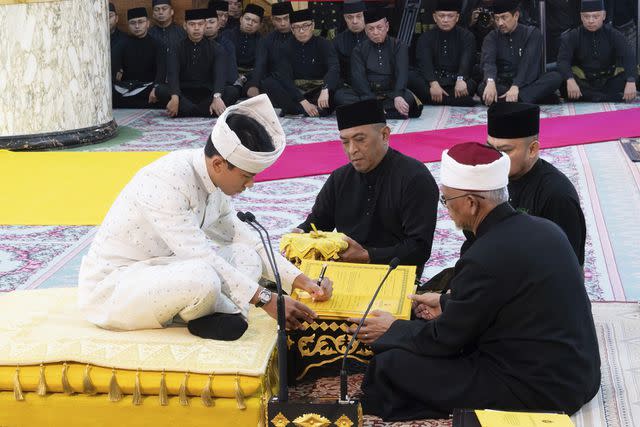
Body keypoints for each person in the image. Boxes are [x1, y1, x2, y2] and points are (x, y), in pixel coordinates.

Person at [352, 141, 600, 421]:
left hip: (538, 387)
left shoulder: (485, 255)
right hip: (580, 374)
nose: (446, 208)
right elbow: (508, 299)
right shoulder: (546, 228)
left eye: (447, 200)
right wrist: (447, 302)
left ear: (471, 203)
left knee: (390, 365)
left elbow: (445, 340)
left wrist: (394, 328)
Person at [78, 95, 333, 339]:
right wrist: (265, 299)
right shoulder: (166, 180)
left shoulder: (213, 182)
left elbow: (245, 240)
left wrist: (300, 280)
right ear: (219, 164)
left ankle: (226, 317)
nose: (251, 184)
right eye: (246, 176)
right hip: (116, 287)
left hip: (165, 272)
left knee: (246, 255)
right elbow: (197, 255)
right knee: (202, 277)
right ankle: (219, 313)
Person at [296, 99, 439, 277]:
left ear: (385, 135)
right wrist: (300, 233)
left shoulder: (415, 178)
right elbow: (318, 222)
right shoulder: (339, 178)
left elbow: (419, 248)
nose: (352, 150)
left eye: (360, 139)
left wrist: (368, 256)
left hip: (393, 274)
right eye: (345, 142)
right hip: (344, 271)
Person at [486, 102, 587, 265]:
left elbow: (566, 268)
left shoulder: (556, 195)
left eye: (505, 151)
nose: (496, 157)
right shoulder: (490, 176)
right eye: (490, 148)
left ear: (532, 149)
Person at [334, 9, 423, 118]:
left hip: (391, 93)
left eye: (379, 27)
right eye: (371, 29)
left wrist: (398, 95)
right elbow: (358, 77)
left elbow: (402, 73)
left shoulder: (398, 46)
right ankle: (382, 111)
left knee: (408, 98)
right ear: (366, 31)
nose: (375, 32)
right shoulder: (359, 50)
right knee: (340, 96)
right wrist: (370, 99)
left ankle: (369, 112)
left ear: (387, 27)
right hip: (367, 93)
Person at [156, 9, 238, 118]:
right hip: (183, 93)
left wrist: (217, 97)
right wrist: (175, 97)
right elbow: (172, 74)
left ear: (205, 25)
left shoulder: (217, 48)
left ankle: (188, 111)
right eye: (192, 24)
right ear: (185, 26)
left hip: (208, 94)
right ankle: (205, 111)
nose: (196, 28)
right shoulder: (176, 47)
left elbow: (220, 75)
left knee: (232, 91)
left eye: (200, 24)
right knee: (160, 90)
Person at [478, 0, 562, 105]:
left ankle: (508, 100)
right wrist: (490, 82)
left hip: (526, 82)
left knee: (555, 77)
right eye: (497, 18)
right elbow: (488, 62)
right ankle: (528, 98)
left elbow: (528, 63)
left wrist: (516, 86)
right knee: (482, 88)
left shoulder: (532, 34)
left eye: (504, 17)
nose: (500, 23)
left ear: (516, 15)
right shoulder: (491, 37)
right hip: (503, 84)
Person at [261, 9, 340, 117]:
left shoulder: (324, 44)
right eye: (296, 27)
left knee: (337, 92)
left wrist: (326, 88)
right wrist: (303, 101)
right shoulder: (285, 47)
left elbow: (333, 67)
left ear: (312, 26)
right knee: (269, 83)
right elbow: (285, 77)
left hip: (319, 91)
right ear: (292, 30)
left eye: (305, 26)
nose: (301, 31)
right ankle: (304, 109)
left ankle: (294, 109)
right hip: (296, 92)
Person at [557, 0, 637, 102]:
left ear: (603, 16)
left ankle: (594, 97)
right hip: (584, 82)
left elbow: (628, 56)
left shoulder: (613, 34)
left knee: (634, 76)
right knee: (560, 80)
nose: (591, 21)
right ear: (581, 17)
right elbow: (562, 60)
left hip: (609, 81)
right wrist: (570, 79)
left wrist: (631, 80)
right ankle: (609, 97)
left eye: (595, 17)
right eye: (586, 17)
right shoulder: (573, 35)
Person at [409, 0, 477, 106]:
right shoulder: (426, 37)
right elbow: (425, 63)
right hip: (433, 81)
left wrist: (460, 79)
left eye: (450, 16)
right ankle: (455, 100)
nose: (445, 20)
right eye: (441, 16)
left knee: (474, 80)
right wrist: (433, 83)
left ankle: (435, 99)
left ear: (457, 17)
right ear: (435, 17)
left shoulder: (467, 36)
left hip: (456, 82)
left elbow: (467, 61)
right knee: (411, 76)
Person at [112, 8, 166, 109]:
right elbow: (114, 66)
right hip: (127, 87)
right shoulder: (121, 44)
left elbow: (161, 71)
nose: (137, 26)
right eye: (133, 23)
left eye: (140, 22)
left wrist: (155, 88)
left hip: (147, 87)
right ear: (128, 25)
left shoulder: (157, 44)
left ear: (148, 23)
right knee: (110, 90)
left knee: (162, 91)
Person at [245, 1, 294, 98]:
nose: (283, 23)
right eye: (278, 19)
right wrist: (254, 85)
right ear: (272, 20)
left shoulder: (302, 36)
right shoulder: (266, 40)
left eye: (286, 18)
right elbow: (260, 63)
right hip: (275, 81)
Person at [221, 4, 264, 93]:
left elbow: (260, 65)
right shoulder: (227, 35)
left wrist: (245, 78)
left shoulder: (262, 41)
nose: (250, 23)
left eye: (255, 21)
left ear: (260, 25)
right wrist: (235, 77)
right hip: (229, 76)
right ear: (241, 19)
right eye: (247, 19)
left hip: (250, 78)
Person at [148, 0, 186, 82]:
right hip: (153, 79)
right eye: (157, 9)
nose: (160, 12)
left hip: (179, 79)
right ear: (153, 14)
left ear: (171, 11)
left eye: (164, 9)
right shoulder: (149, 34)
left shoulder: (182, 33)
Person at [333, 1, 367, 87]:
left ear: (365, 16)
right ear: (345, 18)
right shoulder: (338, 41)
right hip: (350, 88)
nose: (354, 21)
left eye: (359, 16)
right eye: (350, 17)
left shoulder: (377, 35)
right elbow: (334, 70)